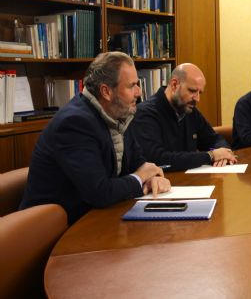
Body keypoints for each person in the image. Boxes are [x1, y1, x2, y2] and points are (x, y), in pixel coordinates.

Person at [20, 52, 171, 224]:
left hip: (98, 217)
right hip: (58, 229)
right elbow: (100, 192)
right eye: (132, 86)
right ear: (106, 91)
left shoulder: (118, 113)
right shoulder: (75, 123)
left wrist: (153, 178)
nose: (139, 92)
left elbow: (139, 163)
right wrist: (140, 177)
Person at [129, 63, 237, 171]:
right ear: (174, 85)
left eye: (200, 93)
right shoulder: (145, 113)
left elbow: (214, 139)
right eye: (192, 91)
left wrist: (224, 152)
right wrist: (210, 156)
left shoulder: (189, 110)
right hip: (163, 184)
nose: (197, 99)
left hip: (190, 181)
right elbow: (158, 159)